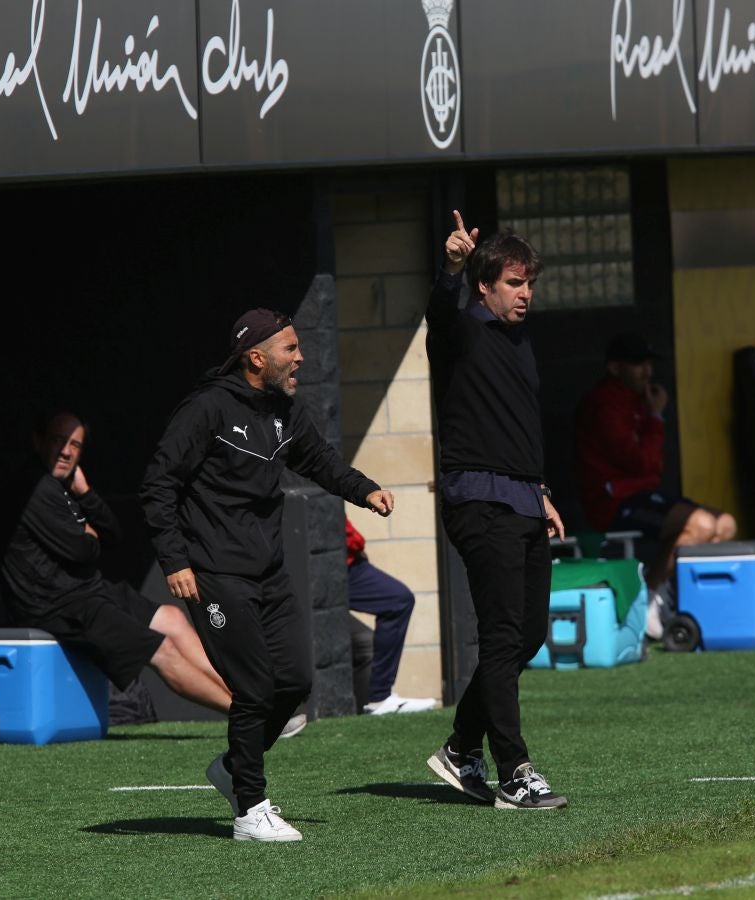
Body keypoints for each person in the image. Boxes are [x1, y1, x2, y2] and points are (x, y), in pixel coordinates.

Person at [140, 308, 393, 842]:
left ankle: (234, 768)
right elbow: (158, 485)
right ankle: (250, 811)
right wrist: (175, 561)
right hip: (213, 572)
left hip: (268, 572)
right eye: (290, 349)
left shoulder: (286, 412)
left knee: (295, 682)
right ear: (257, 358)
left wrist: (365, 491)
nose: (300, 356)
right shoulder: (206, 409)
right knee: (253, 686)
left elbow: (322, 462)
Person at [424, 210, 567, 811]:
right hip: (479, 501)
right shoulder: (462, 331)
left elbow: (516, 427)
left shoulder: (519, 340)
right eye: (513, 282)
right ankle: (514, 771)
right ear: (485, 286)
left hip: (523, 498)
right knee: (504, 634)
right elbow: (438, 317)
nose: (525, 293)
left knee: (527, 634)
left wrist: (542, 491)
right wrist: (451, 267)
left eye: (529, 282)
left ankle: (460, 747)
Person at [0, 412, 232, 719]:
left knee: (172, 617)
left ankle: (249, 700)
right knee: (161, 650)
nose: (66, 451)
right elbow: (81, 550)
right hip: (56, 606)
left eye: (74, 444)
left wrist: (86, 494)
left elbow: (112, 535)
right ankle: (248, 717)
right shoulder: (36, 486)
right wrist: (87, 536)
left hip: (85, 590)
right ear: (38, 441)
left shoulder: (64, 484)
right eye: (58, 441)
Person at [574, 333, 737, 634]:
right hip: (612, 503)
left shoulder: (638, 402)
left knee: (724, 524)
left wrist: (652, 418)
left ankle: (670, 596)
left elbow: (651, 467)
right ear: (614, 367)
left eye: (649, 364)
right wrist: (656, 418)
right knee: (700, 525)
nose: (647, 372)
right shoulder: (605, 403)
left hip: (640, 494)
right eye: (638, 364)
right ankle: (646, 600)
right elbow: (641, 462)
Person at [345, 518, 436, 715]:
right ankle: (378, 698)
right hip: (335, 563)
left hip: (350, 560)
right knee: (396, 602)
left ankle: (379, 698)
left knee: (398, 601)